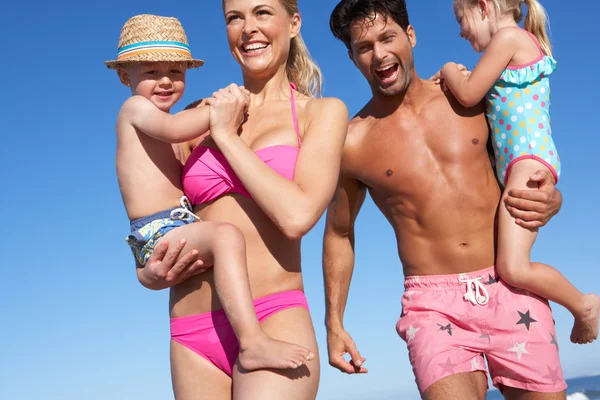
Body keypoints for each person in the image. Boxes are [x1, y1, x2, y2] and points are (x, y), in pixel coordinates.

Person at [323, 0, 569, 398]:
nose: (379, 53)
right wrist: (333, 322)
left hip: (511, 286)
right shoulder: (352, 142)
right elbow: (339, 231)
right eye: (364, 47)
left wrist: (552, 197)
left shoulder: (470, 98)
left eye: (387, 37)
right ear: (352, 58)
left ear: (411, 36)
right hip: (433, 306)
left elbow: (523, 151)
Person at [127, 2, 348, 399]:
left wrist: (226, 136)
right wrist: (148, 274)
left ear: (293, 22)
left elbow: (297, 216)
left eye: (262, 12)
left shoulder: (321, 113)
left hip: (273, 318)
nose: (248, 28)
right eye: (235, 18)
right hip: (191, 333)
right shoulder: (193, 117)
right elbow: (157, 214)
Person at [432, 0, 599, 345]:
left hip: (528, 160)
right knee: (508, 265)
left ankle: (584, 305)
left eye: (461, 20)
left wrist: (449, 69)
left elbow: (467, 95)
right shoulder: (509, 46)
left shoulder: (509, 38)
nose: (461, 31)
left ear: (483, 7)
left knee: (513, 267)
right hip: (523, 162)